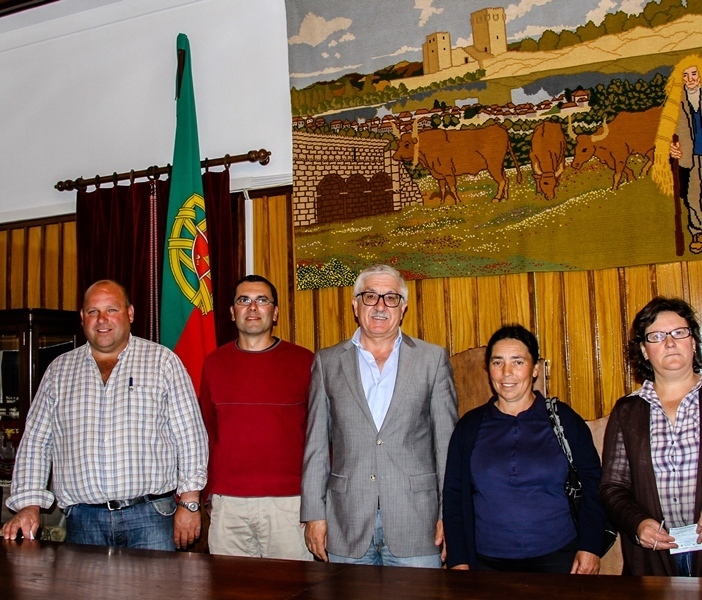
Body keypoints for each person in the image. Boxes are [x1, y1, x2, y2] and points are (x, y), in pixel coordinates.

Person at [2, 280, 208, 551]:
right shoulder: (58, 372)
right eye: (93, 311)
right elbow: (36, 442)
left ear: (130, 313)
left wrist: (190, 502)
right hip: (83, 521)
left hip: (151, 519)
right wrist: (29, 505)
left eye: (111, 310)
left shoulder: (163, 363)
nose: (102, 319)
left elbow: (190, 436)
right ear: (82, 317)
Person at [301, 264, 458, 568]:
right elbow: (316, 447)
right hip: (345, 523)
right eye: (370, 296)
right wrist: (314, 514)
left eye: (391, 298)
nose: (380, 306)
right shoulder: (327, 362)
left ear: (403, 307)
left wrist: (449, 515)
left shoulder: (432, 360)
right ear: (355, 305)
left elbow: (447, 446)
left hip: (417, 523)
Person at [443, 324, 606, 574]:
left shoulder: (563, 420)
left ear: (535, 369)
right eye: (498, 362)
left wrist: (591, 546)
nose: (506, 372)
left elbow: (594, 484)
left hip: (560, 559)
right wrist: (458, 559)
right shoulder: (469, 426)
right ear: (488, 369)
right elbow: (454, 495)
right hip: (485, 564)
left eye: (517, 362)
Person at [199, 274, 314, 559]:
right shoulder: (214, 363)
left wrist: (317, 504)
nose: (252, 307)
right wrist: (209, 494)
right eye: (244, 300)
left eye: (262, 300)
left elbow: (322, 438)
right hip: (228, 506)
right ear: (232, 312)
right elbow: (206, 433)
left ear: (275, 313)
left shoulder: (304, 361)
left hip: (289, 505)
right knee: (230, 584)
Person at [600, 296, 702, 577]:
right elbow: (612, 486)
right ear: (644, 351)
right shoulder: (627, 411)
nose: (670, 342)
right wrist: (638, 523)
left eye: (679, 332)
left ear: (693, 342)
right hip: (653, 557)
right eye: (657, 336)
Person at [653, 55, 702, 254]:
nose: (690, 79)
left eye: (694, 74)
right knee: (693, 195)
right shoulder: (676, 102)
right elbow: (667, 132)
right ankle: (698, 232)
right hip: (692, 155)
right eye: (685, 75)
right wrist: (671, 149)